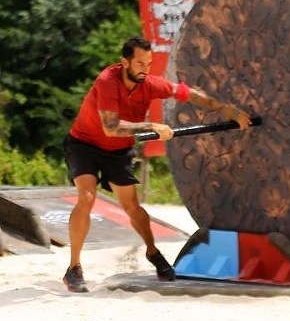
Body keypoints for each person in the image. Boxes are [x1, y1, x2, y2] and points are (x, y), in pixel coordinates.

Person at [62, 36, 252, 293]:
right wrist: (152, 126)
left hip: (117, 150)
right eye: (139, 63)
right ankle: (74, 268)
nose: (145, 69)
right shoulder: (108, 81)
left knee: (131, 206)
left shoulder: (150, 84)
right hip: (84, 144)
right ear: (125, 62)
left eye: (148, 64)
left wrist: (228, 111)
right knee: (86, 197)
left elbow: (189, 94)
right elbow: (111, 127)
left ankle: (152, 252)